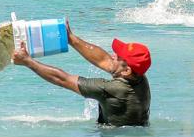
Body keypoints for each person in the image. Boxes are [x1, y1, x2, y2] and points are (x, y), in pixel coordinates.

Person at [11, 25, 151, 127]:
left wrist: (28, 62)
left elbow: (63, 79)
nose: (113, 56)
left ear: (126, 71)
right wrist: (72, 39)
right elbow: (104, 60)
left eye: (118, 57)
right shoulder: (140, 78)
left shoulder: (111, 89)